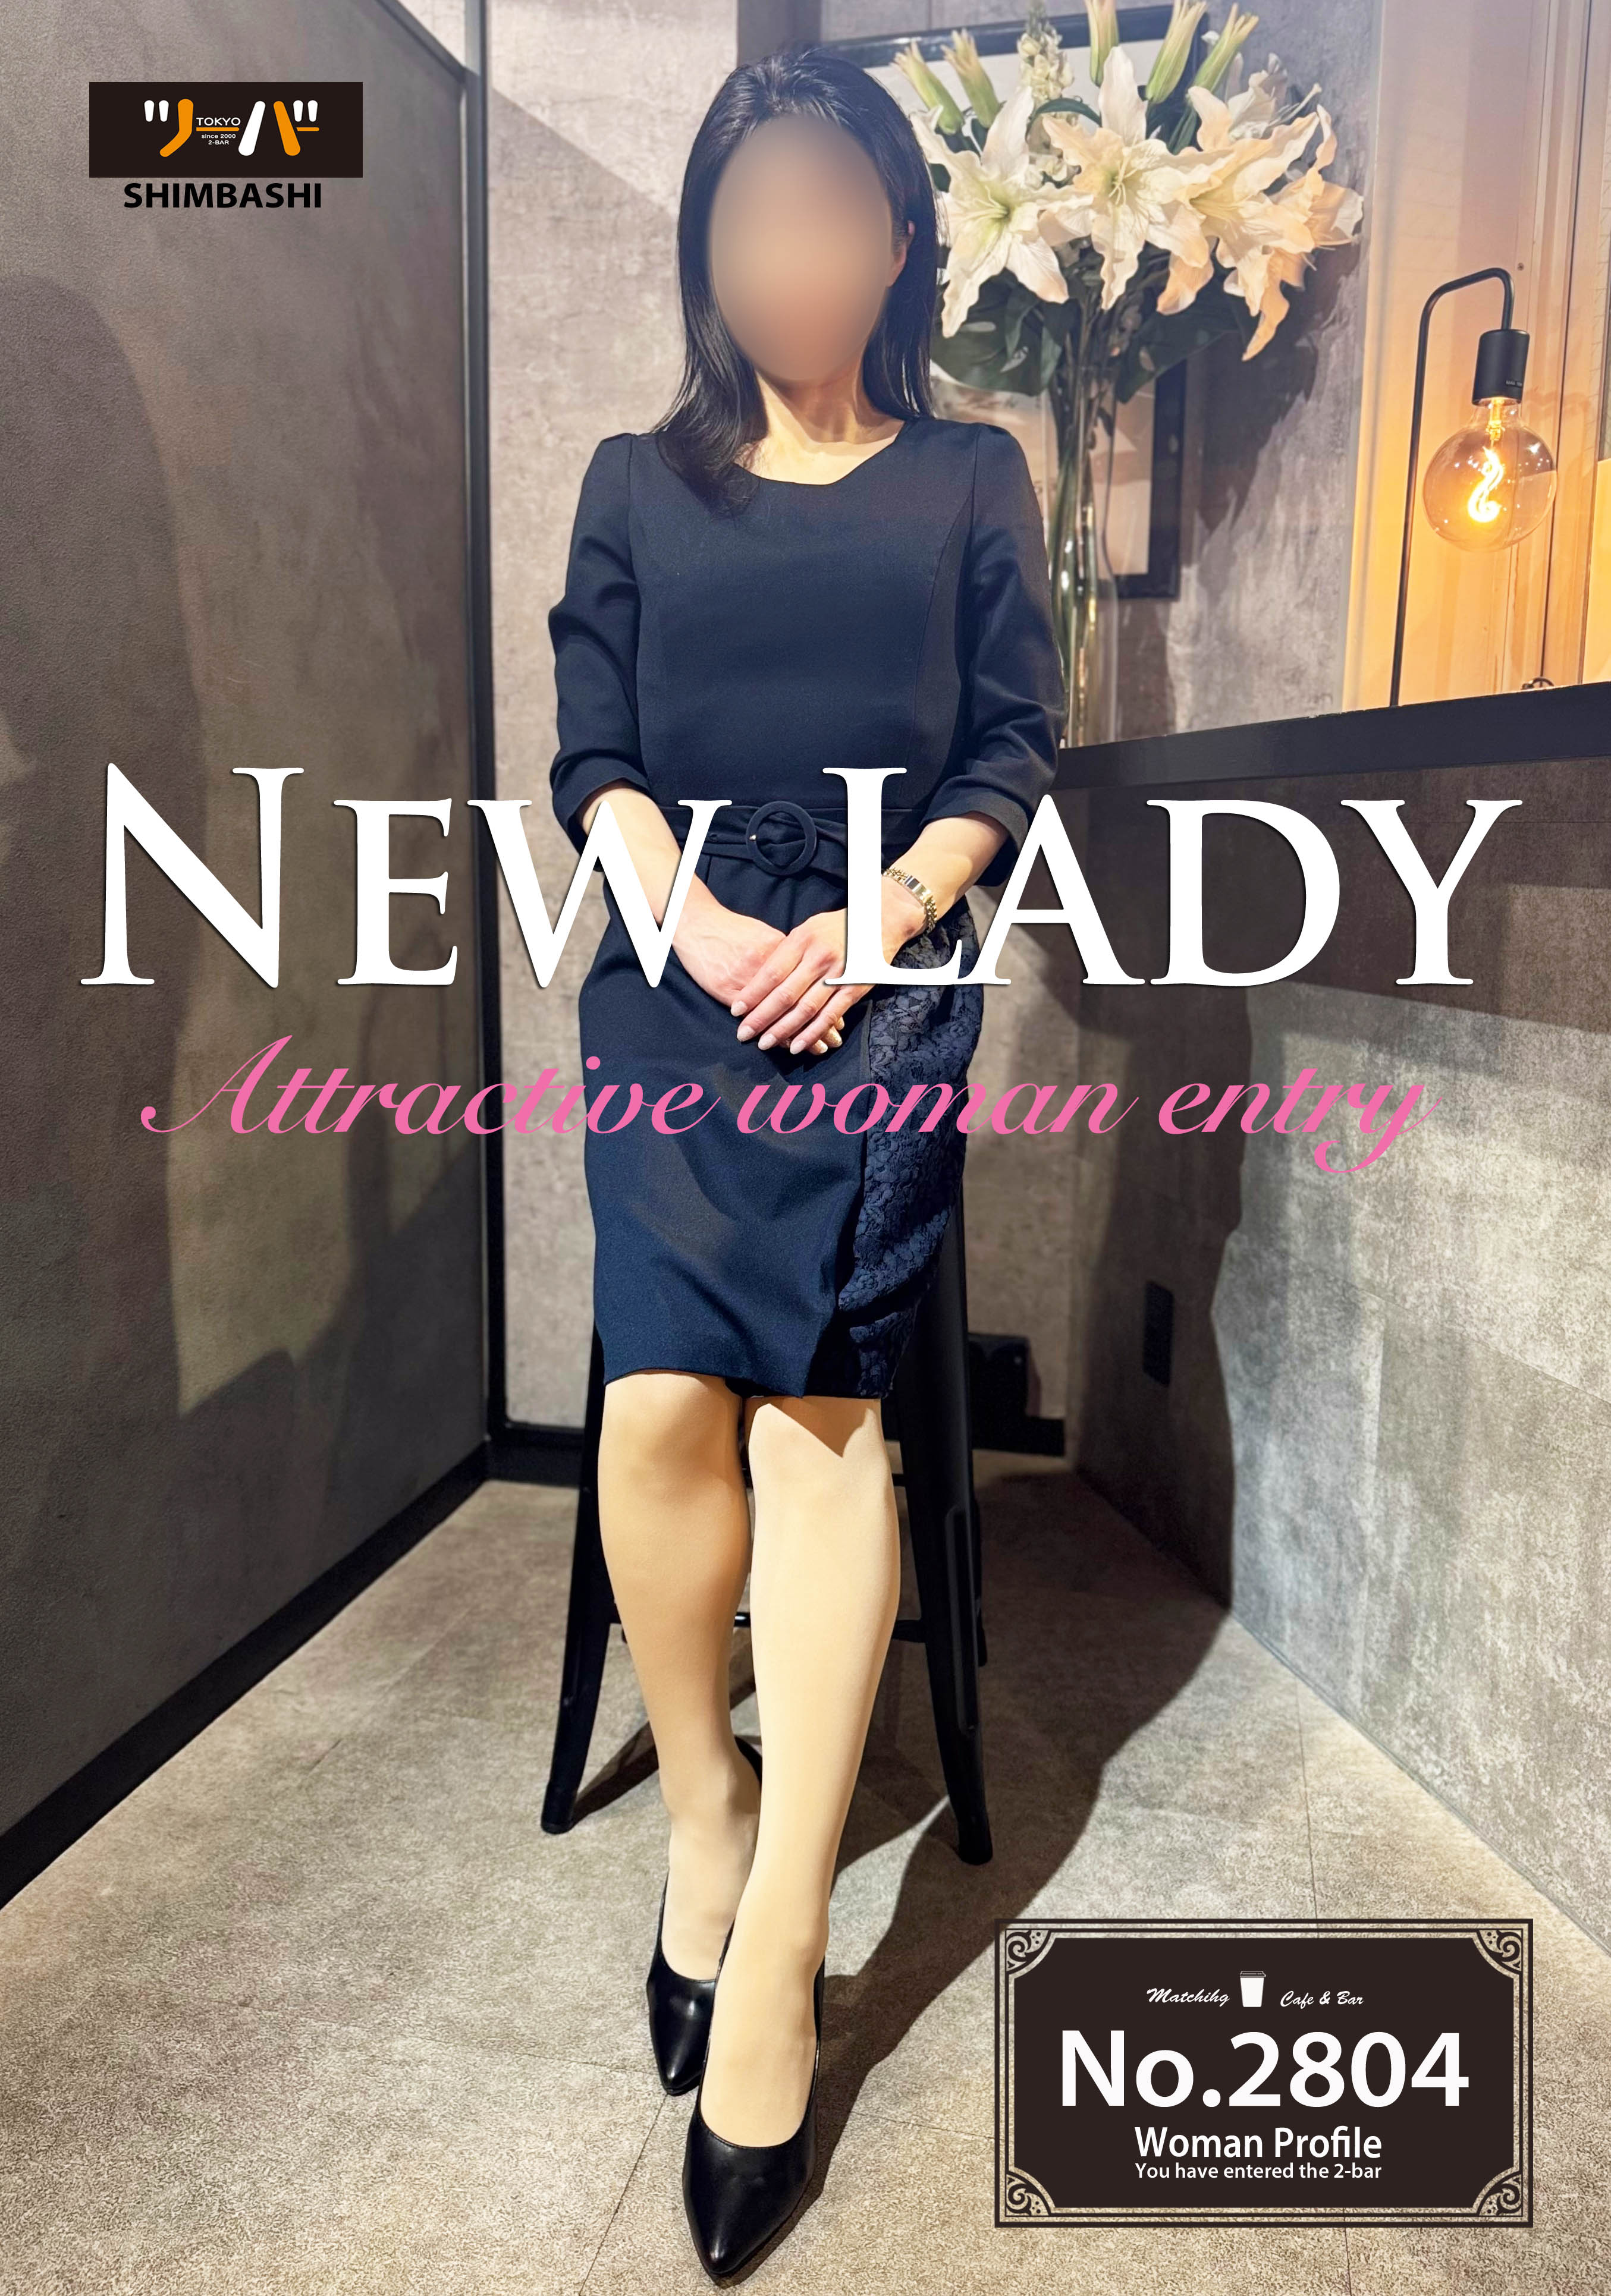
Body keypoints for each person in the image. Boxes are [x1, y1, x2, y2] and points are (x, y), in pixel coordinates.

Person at [546, 44, 1062, 2282]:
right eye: (751, 220)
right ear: (708, 248)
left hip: (884, 972)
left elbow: (1011, 746)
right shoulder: (633, 483)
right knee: (662, 1398)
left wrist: (883, 915)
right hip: (682, 969)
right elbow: (593, 755)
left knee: (824, 1412)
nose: (793, 257)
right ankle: (711, 1805)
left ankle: (776, 1952)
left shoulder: (970, 474)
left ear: (898, 237)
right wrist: (694, 923)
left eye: (833, 215)